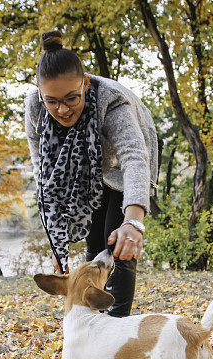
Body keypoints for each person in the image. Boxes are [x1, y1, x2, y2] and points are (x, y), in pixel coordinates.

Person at [25, 30, 159, 318]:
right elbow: (43, 175)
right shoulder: (35, 108)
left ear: (85, 84)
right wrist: (56, 242)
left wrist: (134, 223)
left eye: (72, 98)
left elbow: (135, 159)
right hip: (85, 173)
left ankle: (115, 327)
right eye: (52, 101)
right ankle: (92, 323)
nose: (61, 109)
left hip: (125, 166)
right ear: (40, 93)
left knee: (118, 246)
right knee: (96, 246)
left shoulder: (111, 101)